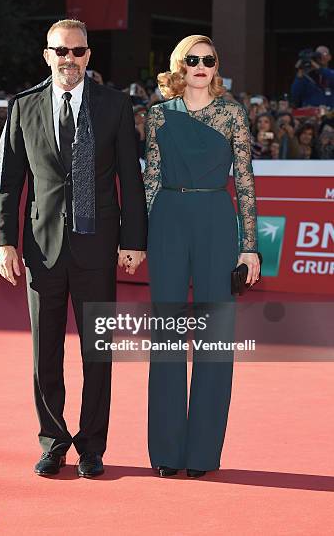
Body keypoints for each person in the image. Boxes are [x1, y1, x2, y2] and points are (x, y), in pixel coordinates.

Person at [0, 18, 147, 478]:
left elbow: (130, 182)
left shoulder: (115, 105)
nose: (69, 60)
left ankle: (93, 446)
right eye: (61, 51)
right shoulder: (23, 106)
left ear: (89, 56)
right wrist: (3, 242)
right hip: (41, 248)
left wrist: (133, 241)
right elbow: (9, 183)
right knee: (45, 352)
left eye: (78, 52)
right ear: (47, 56)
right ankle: (53, 441)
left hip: (98, 247)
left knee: (98, 352)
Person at [143, 34, 260, 478]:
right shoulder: (157, 116)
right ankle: (167, 452)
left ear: (216, 67)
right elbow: (150, 180)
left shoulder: (232, 114)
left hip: (215, 217)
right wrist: (136, 238)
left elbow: (246, 181)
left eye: (208, 60)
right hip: (169, 220)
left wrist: (250, 245)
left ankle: (203, 454)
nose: (200, 66)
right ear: (179, 65)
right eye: (192, 60)